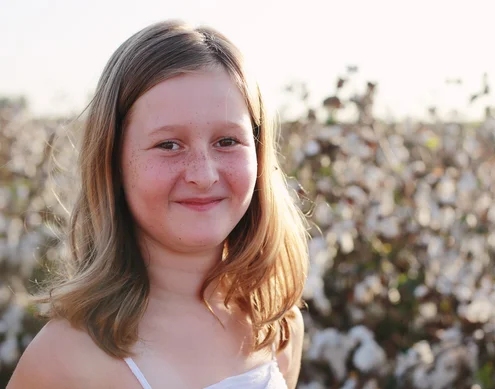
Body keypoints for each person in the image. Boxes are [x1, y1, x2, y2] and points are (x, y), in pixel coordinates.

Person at [8, 19, 309, 389]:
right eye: (169, 145)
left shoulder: (276, 325)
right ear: (113, 163)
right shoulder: (65, 359)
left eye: (227, 141)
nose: (204, 175)